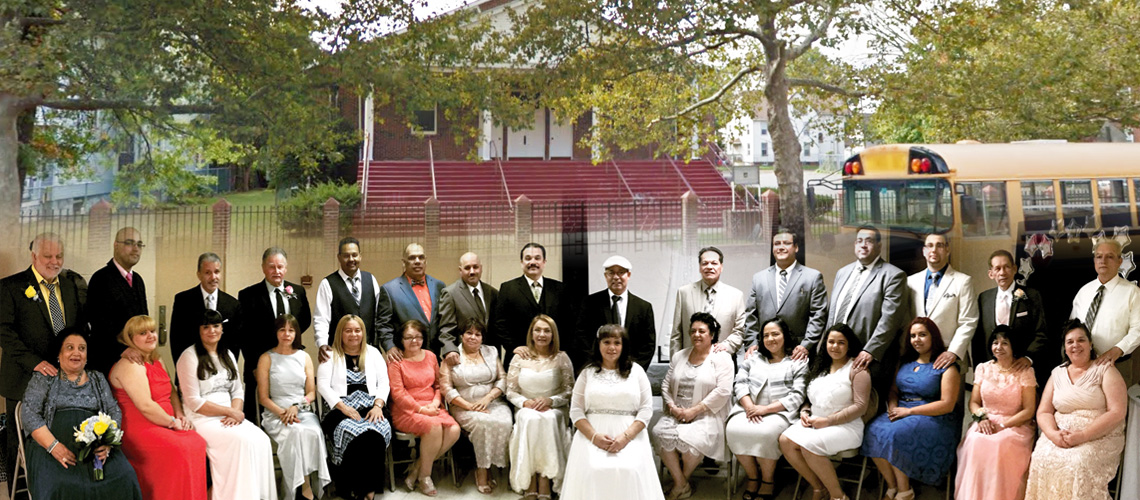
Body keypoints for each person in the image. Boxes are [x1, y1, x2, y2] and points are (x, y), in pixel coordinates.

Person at [1, 233, 86, 480]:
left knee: (60, 434)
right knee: (18, 439)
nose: (54, 261)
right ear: (34, 256)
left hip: (63, 378)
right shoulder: (10, 287)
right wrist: (34, 363)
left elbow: (77, 328)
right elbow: (3, 332)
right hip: (22, 377)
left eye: (59, 256)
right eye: (48, 256)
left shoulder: (69, 286)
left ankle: (55, 485)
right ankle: (19, 491)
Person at [21, 329, 143, 500]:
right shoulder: (45, 377)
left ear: (86, 356)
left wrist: (108, 442)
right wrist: (54, 446)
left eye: (82, 348)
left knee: (125, 476)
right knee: (58, 484)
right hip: (51, 443)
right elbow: (29, 414)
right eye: (70, 347)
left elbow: (113, 410)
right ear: (59, 354)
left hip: (94, 445)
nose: (76, 353)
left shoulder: (97, 378)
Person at [177, 309, 277, 500]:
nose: (212, 331)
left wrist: (236, 412)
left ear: (222, 329)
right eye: (206, 327)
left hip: (230, 415)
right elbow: (193, 401)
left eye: (216, 326)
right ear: (198, 330)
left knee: (261, 440)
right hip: (202, 417)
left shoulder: (228, 354)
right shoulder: (189, 357)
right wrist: (230, 412)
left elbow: (238, 391)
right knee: (241, 442)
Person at [1024, 320, 1127, 500]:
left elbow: (1117, 412)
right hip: (1059, 435)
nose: (1075, 345)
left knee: (1078, 463)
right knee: (1040, 457)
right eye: (1070, 342)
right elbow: (1044, 411)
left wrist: (1083, 435)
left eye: (1081, 340)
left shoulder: (1105, 370)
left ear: (1090, 344)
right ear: (1065, 348)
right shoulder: (1057, 373)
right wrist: (1053, 434)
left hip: (1098, 436)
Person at [862, 318, 962, 500]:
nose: (917, 339)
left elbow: (947, 404)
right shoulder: (904, 362)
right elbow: (893, 391)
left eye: (922, 335)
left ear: (933, 337)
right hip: (902, 409)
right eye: (913, 336)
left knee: (894, 435)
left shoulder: (947, 367)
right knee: (872, 430)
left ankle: (905, 491)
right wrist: (893, 407)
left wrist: (909, 412)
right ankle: (892, 486)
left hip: (934, 415)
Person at [561, 325, 664, 500]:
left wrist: (626, 437)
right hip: (592, 433)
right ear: (598, 344)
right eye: (606, 342)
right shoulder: (587, 373)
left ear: (624, 346)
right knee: (594, 470)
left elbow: (646, 409)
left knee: (630, 470)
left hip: (630, 433)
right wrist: (594, 437)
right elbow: (576, 411)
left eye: (617, 343)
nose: (612, 347)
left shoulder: (637, 371)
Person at [110, 315, 207, 500]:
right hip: (141, 427)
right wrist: (172, 422)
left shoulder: (157, 359)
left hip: (165, 422)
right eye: (142, 333)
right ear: (130, 338)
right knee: (181, 448)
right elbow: (146, 406)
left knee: (197, 442)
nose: (150, 336)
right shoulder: (130, 364)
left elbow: (171, 392)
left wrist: (180, 414)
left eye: (152, 331)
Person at [779, 324, 872, 500]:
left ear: (849, 345)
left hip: (846, 425)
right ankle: (819, 487)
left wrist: (828, 421)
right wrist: (805, 412)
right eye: (831, 342)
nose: (835, 346)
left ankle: (838, 495)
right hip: (815, 420)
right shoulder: (820, 366)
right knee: (785, 441)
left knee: (809, 445)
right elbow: (809, 398)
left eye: (841, 343)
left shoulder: (857, 369)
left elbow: (861, 406)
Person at [652, 312, 733, 500]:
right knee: (658, 432)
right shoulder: (679, 356)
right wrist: (672, 407)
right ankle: (682, 484)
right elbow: (665, 385)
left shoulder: (722, 358)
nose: (697, 334)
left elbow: (723, 391)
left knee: (692, 441)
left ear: (711, 334)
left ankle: (679, 484)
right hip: (677, 411)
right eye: (693, 331)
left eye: (702, 331)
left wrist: (694, 411)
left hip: (707, 414)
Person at [725, 318, 807, 500]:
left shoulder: (797, 361)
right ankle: (753, 477)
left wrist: (765, 409)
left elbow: (798, 395)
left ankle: (768, 480)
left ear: (785, 336)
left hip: (780, 411)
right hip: (748, 408)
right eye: (766, 335)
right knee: (733, 429)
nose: (770, 339)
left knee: (765, 433)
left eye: (775, 334)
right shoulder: (753, 358)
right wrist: (750, 406)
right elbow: (740, 383)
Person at [956, 325, 1037, 500]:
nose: (999, 347)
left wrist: (1003, 425)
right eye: (995, 342)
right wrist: (981, 418)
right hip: (987, 420)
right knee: (975, 441)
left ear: (1013, 346)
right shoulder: (983, 368)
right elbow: (974, 402)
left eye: (1005, 343)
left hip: (1015, 424)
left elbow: (1029, 410)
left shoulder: (1025, 371)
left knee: (999, 445)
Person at [316, 314, 391, 500]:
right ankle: (353, 488)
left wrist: (378, 405)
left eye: (357, 330)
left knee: (377, 432)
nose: (353, 334)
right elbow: (322, 385)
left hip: (371, 406)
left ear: (363, 333)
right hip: (339, 409)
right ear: (340, 333)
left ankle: (368, 490)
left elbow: (384, 382)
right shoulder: (330, 355)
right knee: (352, 434)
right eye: (348, 331)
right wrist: (343, 408)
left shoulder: (373, 353)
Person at [256, 314, 330, 500]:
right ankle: (305, 488)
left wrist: (296, 407)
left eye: (291, 330)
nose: (286, 334)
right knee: (296, 433)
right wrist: (283, 412)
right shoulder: (266, 358)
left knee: (313, 432)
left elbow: (311, 393)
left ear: (296, 333)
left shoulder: (304, 357)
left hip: (302, 410)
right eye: (282, 330)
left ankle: (302, 486)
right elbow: (263, 397)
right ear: (276, 332)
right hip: (276, 412)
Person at [438, 317, 513, 494]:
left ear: (482, 337)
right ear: (461, 336)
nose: (473, 337)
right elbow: (445, 388)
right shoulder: (451, 354)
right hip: (463, 405)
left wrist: (488, 398)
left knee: (505, 422)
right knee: (483, 423)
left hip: (493, 402)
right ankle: (482, 470)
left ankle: (492, 465)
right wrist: (468, 406)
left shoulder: (491, 351)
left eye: (477, 334)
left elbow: (502, 378)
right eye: (469, 333)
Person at [826, 225, 906, 388]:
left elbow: (890, 321)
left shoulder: (893, 275)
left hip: (865, 356)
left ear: (879, 246)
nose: (863, 245)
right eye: (859, 241)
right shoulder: (842, 272)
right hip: (836, 354)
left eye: (868, 241)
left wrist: (870, 351)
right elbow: (833, 313)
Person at [238, 247, 312, 421]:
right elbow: (244, 334)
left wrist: (288, 341)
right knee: (256, 417)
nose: (276, 271)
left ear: (286, 268)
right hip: (259, 363)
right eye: (272, 266)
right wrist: (254, 365)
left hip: (290, 362)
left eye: (280, 267)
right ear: (263, 268)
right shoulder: (248, 295)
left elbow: (304, 320)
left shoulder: (298, 291)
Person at [505, 314, 574, 498]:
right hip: (526, 407)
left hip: (555, 408)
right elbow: (510, 391)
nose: (542, 334)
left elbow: (569, 390)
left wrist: (551, 400)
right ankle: (530, 478)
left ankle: (544, 478)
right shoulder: (519, 357)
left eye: (546, 331)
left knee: (548, 419)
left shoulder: (562, 358)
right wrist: (525, 402)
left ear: (553, 334)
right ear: (531, 333)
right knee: (530, 419)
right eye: (537, 330)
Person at [389, 319, 461, 496]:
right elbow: (398, 394)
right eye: (409, 337)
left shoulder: (430, 356)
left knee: (454, 430)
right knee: (433, 426)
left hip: (432, 405)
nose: (414, 341)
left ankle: (416, 469)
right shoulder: (396, 361)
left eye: (418, 337)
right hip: (407, 409)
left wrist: (435, 403)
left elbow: (438, 385)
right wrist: (421, 410)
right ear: (401, 339)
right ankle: (425, 477)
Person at [743, 229, 828, 361]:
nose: (781, 247)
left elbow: (818, 315)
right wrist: (752, 343)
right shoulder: (759, 278)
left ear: (796, 247)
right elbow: (751, 315)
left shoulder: (812, 277)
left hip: (799, 353)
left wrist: (806, 345)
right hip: (765, 352)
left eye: (786, 243)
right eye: (777, 244)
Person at [1068, 239, 1140, 385]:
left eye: (1110, 256)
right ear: (1094, 261)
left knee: (1116, 401)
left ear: (1120, 261)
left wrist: (1117, 350)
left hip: (1116, 364)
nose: (1103, 261)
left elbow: (1138, 329)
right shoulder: (1084, 292)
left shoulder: (1133, 292)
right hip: (1083, 366)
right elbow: (1072, 327)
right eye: (1099, 256)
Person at [973, 250, 1049, 383]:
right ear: (991, 274)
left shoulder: (1032, 296)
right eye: (997, 268)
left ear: (1014, 269)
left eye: (1006, 267)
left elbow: (1041, 332)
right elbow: (978, 337)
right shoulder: (984, 298)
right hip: (992, 370)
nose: (1002, 273)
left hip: (1021, 368)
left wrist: (1029, 357)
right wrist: (978, 369)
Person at [906, 234, 979, 370]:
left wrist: (953, 352)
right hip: (919, 357)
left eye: (939, 245)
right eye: (930, 246)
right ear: (924, 251)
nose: (934, 250)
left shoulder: (963, 281)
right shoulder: (910, 282)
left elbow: (968, 321)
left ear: (947, 250)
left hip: (949, 355)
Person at [574, 255, 656, 370]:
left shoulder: (643, 307)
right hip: (598, 368)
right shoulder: (590, 303)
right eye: (611, 273)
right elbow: (582, 337)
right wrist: (597, 365)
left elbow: (648, 345)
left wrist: (633, 370)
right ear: (605, 276)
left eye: (621, 273)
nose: (616, 277)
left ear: (628, 275)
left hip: (630, 370)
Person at [494, 243, 569, 368]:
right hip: (519, 358)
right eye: (528, 258)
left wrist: (560, 350)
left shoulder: (559, 289)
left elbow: (567, 323)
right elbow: (500, 324)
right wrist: (513, 347)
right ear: (521, 262)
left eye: (537, 258)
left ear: (544, 262)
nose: (532, 262)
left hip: (553, 359)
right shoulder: (508, 288)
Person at [86, 227, 149, 374]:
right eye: (129, 243)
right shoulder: (101, 278)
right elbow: (98, 324)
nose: (136, 249)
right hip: (110, 360)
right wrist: (122, 350)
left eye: (139, 244)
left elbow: (143, 320)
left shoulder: (138, 280)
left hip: (136, 358)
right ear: (116, 245)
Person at [313, 237, 381, 362]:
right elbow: (321, 318)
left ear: (360, 256)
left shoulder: (370, 279)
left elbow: (379, 315)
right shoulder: (328, 283)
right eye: (346, 256)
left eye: (354, 255)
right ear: (339, 257)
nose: (351, 259)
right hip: (339, 353)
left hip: (368, 351)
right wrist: (322, 343)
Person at [671, 246, 748, 356]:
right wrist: (675, 361)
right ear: (699, 267)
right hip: (689, 358)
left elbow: (740, 330)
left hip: (723, 358)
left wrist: (726, 346)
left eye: (714, 263)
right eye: (705, 263)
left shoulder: (735, 295)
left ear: (721, 267)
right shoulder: (684, 293)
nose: (709, 267)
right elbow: (676, 333)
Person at [376, 243, 446, 362]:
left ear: (426, 261)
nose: (417, 261)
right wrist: (390, 346)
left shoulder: (439, 286)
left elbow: (445, 320)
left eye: (421, 257)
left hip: (435, 357)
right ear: (404, 262)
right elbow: (383, 324)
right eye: (412, 258)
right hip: (405, 358)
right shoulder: (389, 290)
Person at [170, 252, 242, 362]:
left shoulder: (232, 304)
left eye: (216, 272)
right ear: (199, 275)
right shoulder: (183, 301)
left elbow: (235, 343)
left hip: (221, 365)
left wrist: (227, 366)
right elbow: (176, 339)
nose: (213, 277)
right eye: (208, 273)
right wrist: (183, 365)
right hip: (190, 363)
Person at [438, 252, 499, 364]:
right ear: (460, 270)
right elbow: (446, 328)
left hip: (489, 358)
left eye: (475, 267)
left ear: (481, 268)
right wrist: (450, 350)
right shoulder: (450, 294)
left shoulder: (492, 292)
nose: (472, 272)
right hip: (464, 359)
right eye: (467, 268)